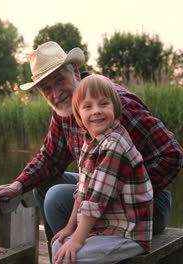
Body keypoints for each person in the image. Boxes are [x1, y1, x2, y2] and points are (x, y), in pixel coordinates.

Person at [0, 41, 183, 259]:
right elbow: (49, 159)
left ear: (76, 72)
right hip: (101, 193)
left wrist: (121, 194)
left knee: (55, 196)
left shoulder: (113, 106)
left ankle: (76, 251)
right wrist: (16, 187)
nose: (56, 93)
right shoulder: (67, 111)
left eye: (59, 81)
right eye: (46, 89)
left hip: (146, 208)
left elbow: (172, 155)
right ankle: (63, 254)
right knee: (42, 185)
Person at [50, 74, 153, 264]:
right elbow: (82, 191)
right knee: (58, 245)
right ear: (78, 114)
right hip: (105, 228)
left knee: (68, 256)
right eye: (88, 106)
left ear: (115, 107)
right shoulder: (90, 143)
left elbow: (95, 201)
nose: (96, 111)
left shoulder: (114, 145)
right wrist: (69, 228)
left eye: (103, 104)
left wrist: (77, 240)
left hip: (128, 233)